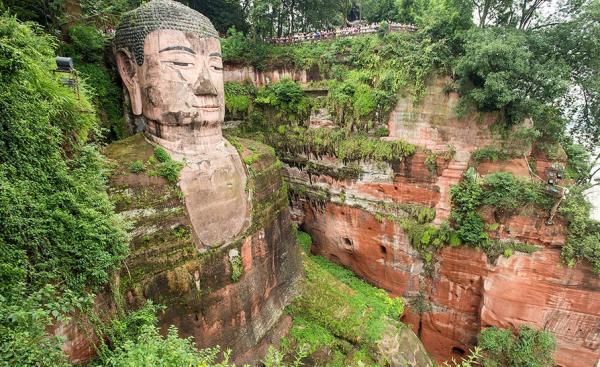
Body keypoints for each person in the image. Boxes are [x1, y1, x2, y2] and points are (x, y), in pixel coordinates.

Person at [114, 0, 250, 248]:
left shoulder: (258, 160)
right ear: (130, 72)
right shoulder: (117, 184)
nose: (206, 85)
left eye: (216, 66)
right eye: (181, 63)